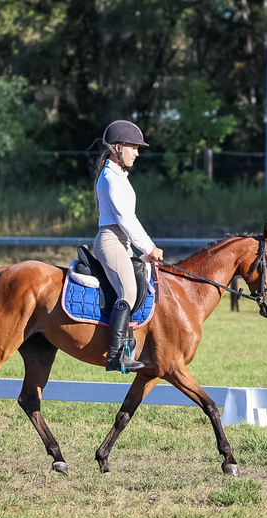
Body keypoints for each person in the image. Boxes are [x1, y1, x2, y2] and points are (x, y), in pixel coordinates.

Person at [93, 119, 164, 372]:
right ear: (118, 147)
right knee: (128, 293)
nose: (137, 152)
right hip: (112, 241)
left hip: (122, 241)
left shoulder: (120, 176)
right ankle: (116, 356)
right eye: (133, 147)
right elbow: (125, 219)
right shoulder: (111, 179)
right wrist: (150, 248)